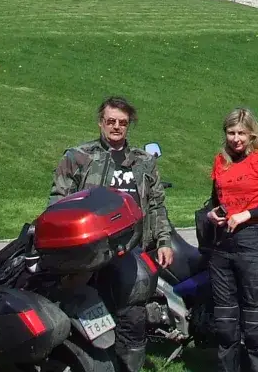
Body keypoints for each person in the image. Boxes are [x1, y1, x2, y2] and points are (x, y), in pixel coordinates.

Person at [49, 96, 175, 372]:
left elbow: (156, 205)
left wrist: (164, 241)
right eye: (111, 121)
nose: (116, 127)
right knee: (87, 316)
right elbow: (57, 202)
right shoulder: (79, 156)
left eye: (123, 122)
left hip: (130, 252)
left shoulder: (144, 162)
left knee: (132, 318)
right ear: (101, 123)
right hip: (88, 254)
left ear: (129, 125)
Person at [204, 108, 258, 372]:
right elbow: (216, 199)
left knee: (254, 324)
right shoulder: (221, 161)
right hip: (222, 245)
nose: (236, 139)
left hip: (254, 243)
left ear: (252, 134)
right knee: (226, 324)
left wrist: (247, 215)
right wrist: (212, 212)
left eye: (241, 133)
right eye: (231, 133)